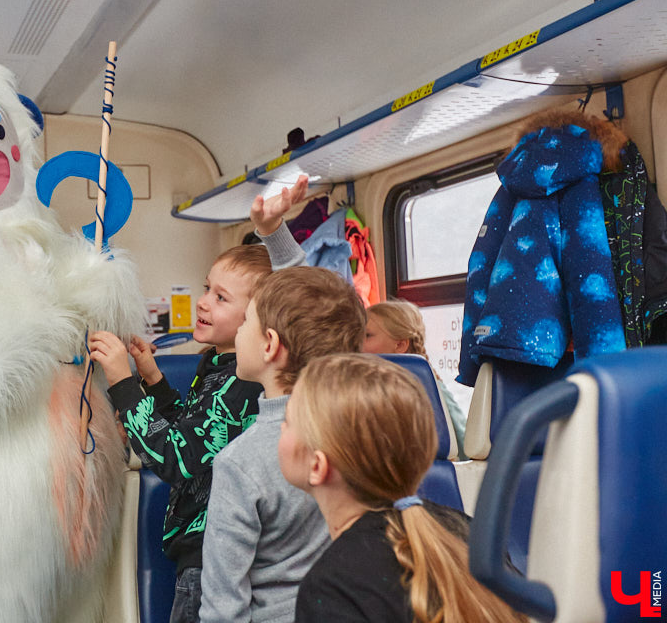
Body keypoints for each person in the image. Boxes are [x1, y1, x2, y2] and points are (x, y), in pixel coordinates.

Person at [88, 177, 309, 623]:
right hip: (200, 552)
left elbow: (177, 458)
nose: (203, 303)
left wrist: (122, 383)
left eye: (221, 298)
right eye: (207, 288)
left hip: (212, 559)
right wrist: (153, 381)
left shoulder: (245, 383)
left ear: (262, 325)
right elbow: (193, 432)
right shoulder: (218, 365)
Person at [281, 354, 527, 623]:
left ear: (317, 466)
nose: (281, 427)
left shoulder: (332, 589)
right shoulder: (469, 533)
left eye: (287, 421)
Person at [199, 265, 366, 623]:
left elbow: (223, 607)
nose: (239, 331)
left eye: (246, 322)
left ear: (270, 345)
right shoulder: (362, 436)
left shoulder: (239, 462)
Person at [362, 300, 466, 457]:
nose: (357, 343)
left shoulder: (431, 389)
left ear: (400, 345)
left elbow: (464, 446)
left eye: (367, 336)